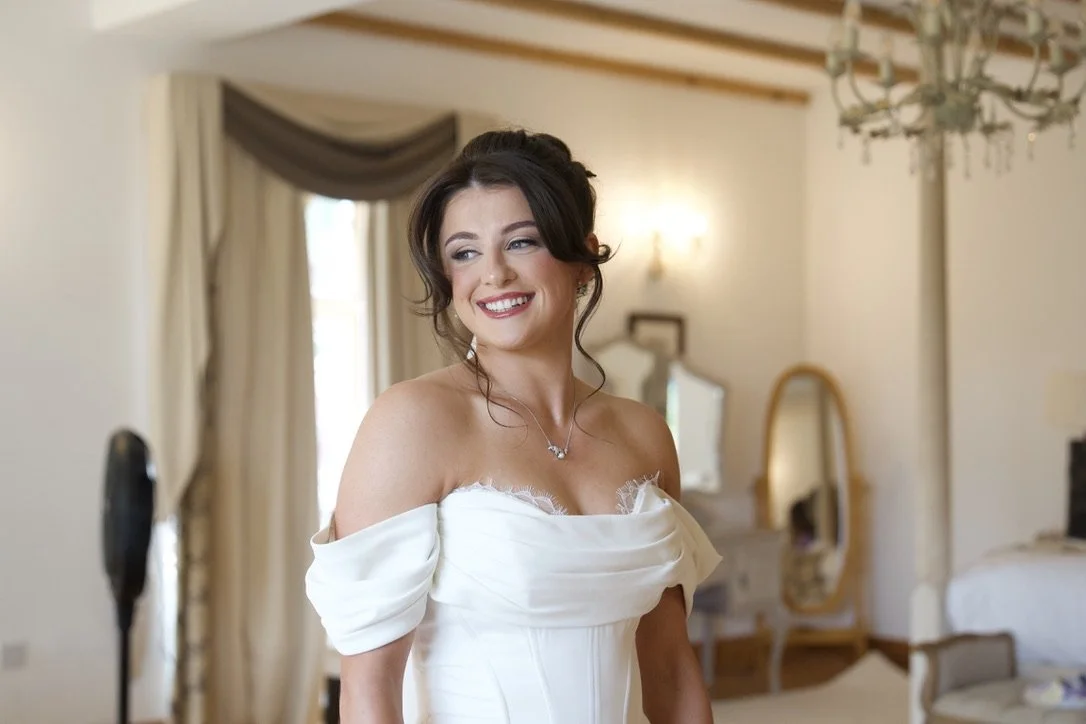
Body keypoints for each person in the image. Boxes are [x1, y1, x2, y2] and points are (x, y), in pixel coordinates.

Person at [305, 129, 722, 724]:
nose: (493, 274)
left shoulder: (644, 435)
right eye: (464, 253)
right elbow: (368, 690)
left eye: (521, 242)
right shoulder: (413, 423)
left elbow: (672, 673)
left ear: (583, 258)